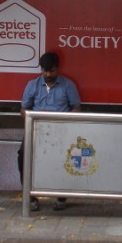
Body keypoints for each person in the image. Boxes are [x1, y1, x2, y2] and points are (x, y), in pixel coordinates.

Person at [19, 51, 81, 212]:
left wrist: (65, 120)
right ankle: (30, 197)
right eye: (45, 71)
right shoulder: (32, 85)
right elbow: (24, 109)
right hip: (36, 129)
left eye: (51, 71)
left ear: (58, 69)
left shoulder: (68, 85)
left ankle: (61, 196)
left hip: (61, 130)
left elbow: (76, 108)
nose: (48, 74)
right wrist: (33, 117)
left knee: (63, 160)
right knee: (23, 156)